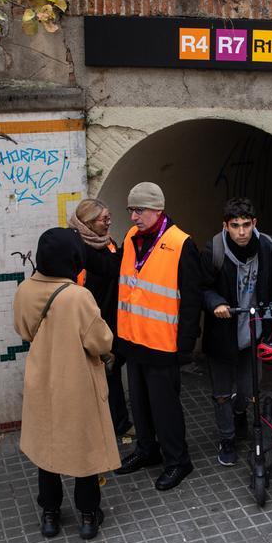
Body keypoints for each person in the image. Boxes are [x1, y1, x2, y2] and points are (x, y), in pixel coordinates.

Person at [79, 182, 203, 491]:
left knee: (166, 408)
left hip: (163, 345)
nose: (133, 217)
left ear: (157, 210)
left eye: (139, 211)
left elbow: (191, 300)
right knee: (140, 404)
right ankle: (148, 451)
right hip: (133, 341)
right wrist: (80, 246)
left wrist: (185, 346)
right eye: (130, 211)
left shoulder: (181, 244)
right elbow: (113, 269)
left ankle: (178, 461)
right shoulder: (133, 238)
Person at [13, 227, 120, 540]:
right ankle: (88, 515)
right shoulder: (77, 296)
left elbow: (23, 329)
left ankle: (50, 514)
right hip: (76, 381)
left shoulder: (25, 290)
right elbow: (100, 341)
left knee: (47, 450)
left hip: (41, 379)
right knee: (84, 450)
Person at [200, 197, 272, 466]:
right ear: (226, 226)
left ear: (254, 223)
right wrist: (216, 303)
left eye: (246, 225)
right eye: (235, 226)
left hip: (254, 331)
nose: (242, 232)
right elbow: (200, 287)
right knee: (222, 391)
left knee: (248, 390)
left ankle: (239, 411)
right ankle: (226, 438)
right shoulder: (214, 250)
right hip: (222, 334)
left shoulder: (268, 246)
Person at [69, 198, 133, 437]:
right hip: (84, 324)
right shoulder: (74, 248)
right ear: (87, 222)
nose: (108, 223)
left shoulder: (109, 244)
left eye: (109, 218)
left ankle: (119, 423)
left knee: (112, 373)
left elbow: (115, 270)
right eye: (103, 219)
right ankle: (97, 426)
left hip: (110, 322)